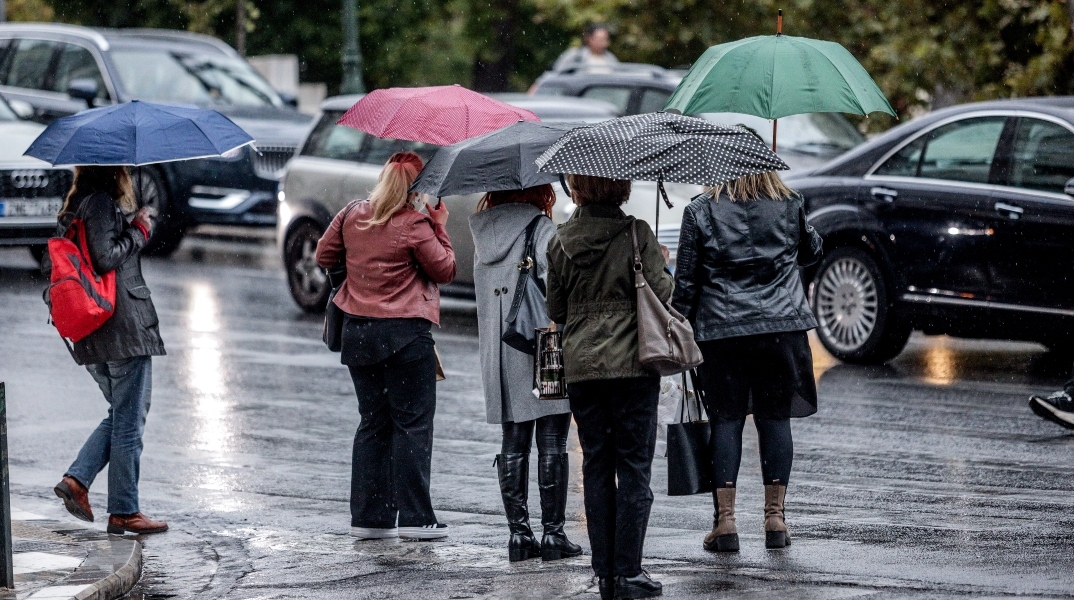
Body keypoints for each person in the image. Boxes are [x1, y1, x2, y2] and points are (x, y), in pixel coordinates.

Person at [671, 169, 823, 553]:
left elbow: (687, 281)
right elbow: (811, 253)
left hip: (723, 333)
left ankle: (725, 524)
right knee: (775, 417)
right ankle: (775, 519)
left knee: (726, 420)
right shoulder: (790, 204)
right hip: (781, 329)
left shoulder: (701, 211)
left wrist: (676, 328)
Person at [315, 152, 456, 541]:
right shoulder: (415, 224)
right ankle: (416, 519)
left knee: (373, 423)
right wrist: (439, 225)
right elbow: (444, 269)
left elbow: (323, 254)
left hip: (358, 333)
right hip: (406, 336)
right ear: (416, 189)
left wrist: (358, 270)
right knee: (411, 424)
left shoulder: (351, 213)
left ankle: (370, 517)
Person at [546, 175, 672, 600]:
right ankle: (629, 571)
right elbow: (663, 293)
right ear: (620, 187)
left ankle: (605, 573)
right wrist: (660, 261)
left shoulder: (560, 241)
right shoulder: (637, 232)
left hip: (582, 366)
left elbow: (556, 308)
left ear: (577, 189)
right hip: (634, 364)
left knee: (596, 464)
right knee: (634, 465)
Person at [51, 166, 169, 535]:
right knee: (129, 420)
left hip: (96, 330)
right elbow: (105, 257)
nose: (129, 175)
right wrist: (139, 230)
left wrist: (129, 224)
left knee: (121, 415)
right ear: (112, 172)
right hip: (120, 327)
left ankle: (79, 481)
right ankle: (123, 509)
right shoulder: (101, 204)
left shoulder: (76, 207)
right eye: (124, 169)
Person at [469, 185, 582, 562]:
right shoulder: (542, 230)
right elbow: (558, 291)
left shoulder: (482, 234)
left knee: (513, 440)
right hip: (543, 345)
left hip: (501, 350)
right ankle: (553, 534)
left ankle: (519, 535)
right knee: (552, 440)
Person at [552, 23, 619, 72]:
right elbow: (557, 73)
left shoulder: (610, 58)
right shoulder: (575, 56)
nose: (604, 43)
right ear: (589, 38)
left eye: (606, 39)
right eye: (600, 39)